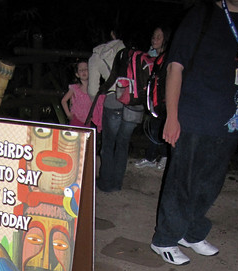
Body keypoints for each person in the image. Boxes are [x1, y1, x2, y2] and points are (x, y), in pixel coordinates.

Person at [151, 0, 238, 265]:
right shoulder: (202, 14)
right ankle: (164, 239)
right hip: (192, 116)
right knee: (182, 181)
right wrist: (172, 117)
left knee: (210, 183)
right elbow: (175, 67)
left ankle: (190, 232)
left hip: (230, 121)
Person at [88, 30, 139, 192]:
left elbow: (92, 90)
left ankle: (106, 183)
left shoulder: (97, 55)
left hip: (113, 102)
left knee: (108, 145)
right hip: (133, 104)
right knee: (123, 145)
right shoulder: (130, 52)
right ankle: (117, 183)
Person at [135, 26, 171, 171]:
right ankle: (152, 157)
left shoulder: (169, 57)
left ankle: (164, 157)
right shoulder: (151, 55)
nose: (154, 39)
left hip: (165, 100)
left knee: (161, 128)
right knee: (154, 128)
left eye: (158, 37)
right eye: (153, 36)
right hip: (154, 99)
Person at [61, 61, 104, 130]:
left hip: (88, 120)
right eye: (81, 70)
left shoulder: (94, 89)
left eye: (86, 69)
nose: (83, 71)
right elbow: (64, 101)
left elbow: (98, 104)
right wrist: (68, 114)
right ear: (77, 74)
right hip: (75, 119)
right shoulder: (75, 88)